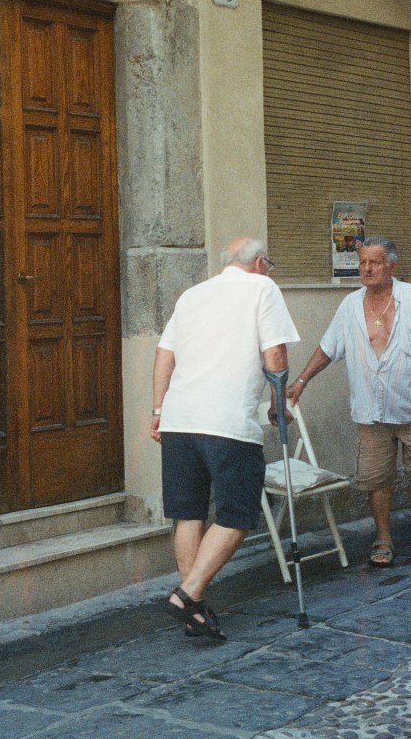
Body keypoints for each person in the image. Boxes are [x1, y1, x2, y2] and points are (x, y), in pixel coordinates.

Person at [151, 237, 299, 641]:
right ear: (258, 263)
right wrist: (278, 401)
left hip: (180, 419)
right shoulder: (262, 287)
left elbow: (164, 355)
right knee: (238, 512)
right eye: (268, 263)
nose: (269, 270)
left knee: (189, 512)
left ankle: (194, 610)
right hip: (227, 421)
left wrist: (158, 411)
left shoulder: (192, 295)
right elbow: (276, 355)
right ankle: (187, 594)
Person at [286, 236, 411, 568]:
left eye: (374, 262)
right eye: (363, 262)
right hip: (371, 411)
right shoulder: (350, 305)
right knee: (376, 478)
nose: (366, 268)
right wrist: (302, 380)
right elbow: (327, 348)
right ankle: (384, 538)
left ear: (391, 265)